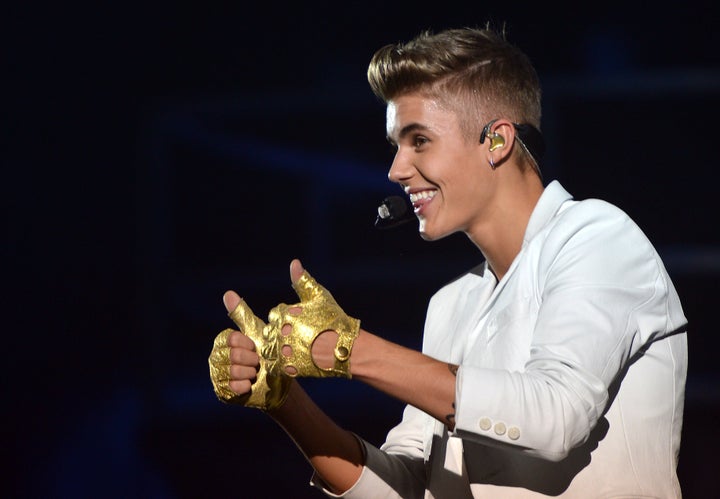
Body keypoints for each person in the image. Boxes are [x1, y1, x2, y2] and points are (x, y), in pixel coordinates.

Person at [208, 26, 688, 498]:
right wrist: (285, 400)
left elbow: (555, 417)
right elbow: (410, 491)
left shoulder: (598, 236)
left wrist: (347, 350)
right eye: (396, 145)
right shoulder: (450, 305)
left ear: (496, 142)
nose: (396, 170)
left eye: (419, 141)